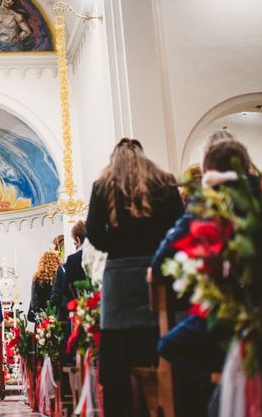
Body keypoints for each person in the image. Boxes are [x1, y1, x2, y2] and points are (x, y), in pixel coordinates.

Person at [152, 139, 254, 416]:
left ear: (209, 171)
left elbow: (162, 256)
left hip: (228, 315)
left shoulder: (208, 198)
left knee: (169, 344)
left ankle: (222, 392)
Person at [86, 138, 183, 417]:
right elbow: (179, 228)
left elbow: (94, 233)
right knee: (159, 350)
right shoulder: (165, 182)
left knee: (117, 361)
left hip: (119, 281)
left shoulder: (103, 186)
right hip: (158, 277)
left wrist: (114, 246)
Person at [50, 221, 88, 322]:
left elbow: (66, 289)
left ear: (78, 239)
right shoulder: (100, 255)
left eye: (75, 243)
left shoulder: (73, 260)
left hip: (77, 310)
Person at [27, 248, 62, 322]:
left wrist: (38, 315)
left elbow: (34, 301)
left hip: (41, 318)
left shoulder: (37, 278)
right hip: (57, 317)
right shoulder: (59, 277)